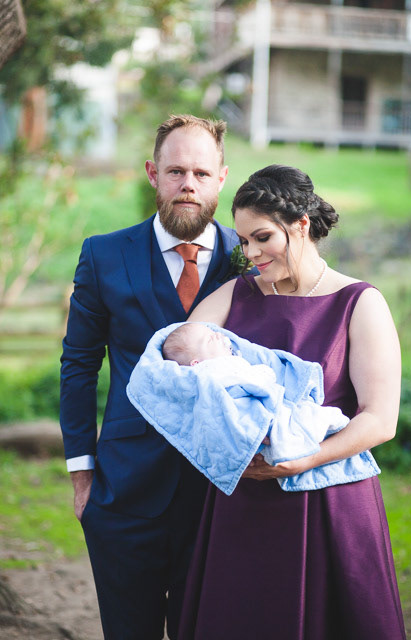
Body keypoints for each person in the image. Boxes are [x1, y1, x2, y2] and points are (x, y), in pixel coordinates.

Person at [176, 165, 406, 640]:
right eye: (244, 241)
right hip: (243, 501)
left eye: (262, 237)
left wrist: (305, 459)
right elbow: (180, 367)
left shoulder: (359, 302)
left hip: (330, 502)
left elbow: (380, 419)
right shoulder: (235, 295)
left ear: (301, 224)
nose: (250, 253)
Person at [59, 114, 239, 640]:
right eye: (176, 171)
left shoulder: (250, 259)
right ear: (153, 174)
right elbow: (78, 366)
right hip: (124, 493)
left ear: (221, 178)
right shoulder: (104, 254)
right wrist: (82, 477)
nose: (188, 185)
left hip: (222, 498)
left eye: (201, 174)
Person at [127, 321, 380, 495]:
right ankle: (316, 431)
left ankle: (309, 434)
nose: (218, 336)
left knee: (298, 421)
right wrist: (265, 377)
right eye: (209, 339)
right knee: (300, 421)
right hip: (258, 416)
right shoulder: (210, 372)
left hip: (264, 414)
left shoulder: (226, 362)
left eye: (214, 332)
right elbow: (252, 382)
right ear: (195, 363)